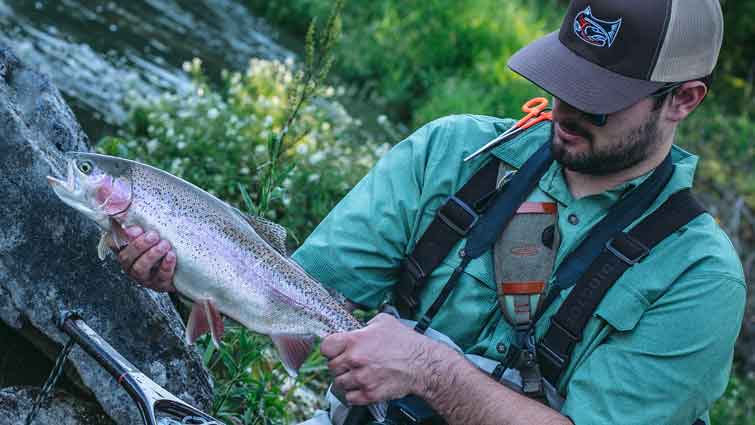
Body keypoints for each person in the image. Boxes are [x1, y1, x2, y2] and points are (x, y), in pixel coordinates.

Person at [112, 1, 746, 424]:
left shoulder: (698, 279)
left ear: (683, 100)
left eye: (596, 100)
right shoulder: (454, 153)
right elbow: (293, 294)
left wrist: (428, 369)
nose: (564, 108)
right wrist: (190, 272)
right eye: (561, 79)